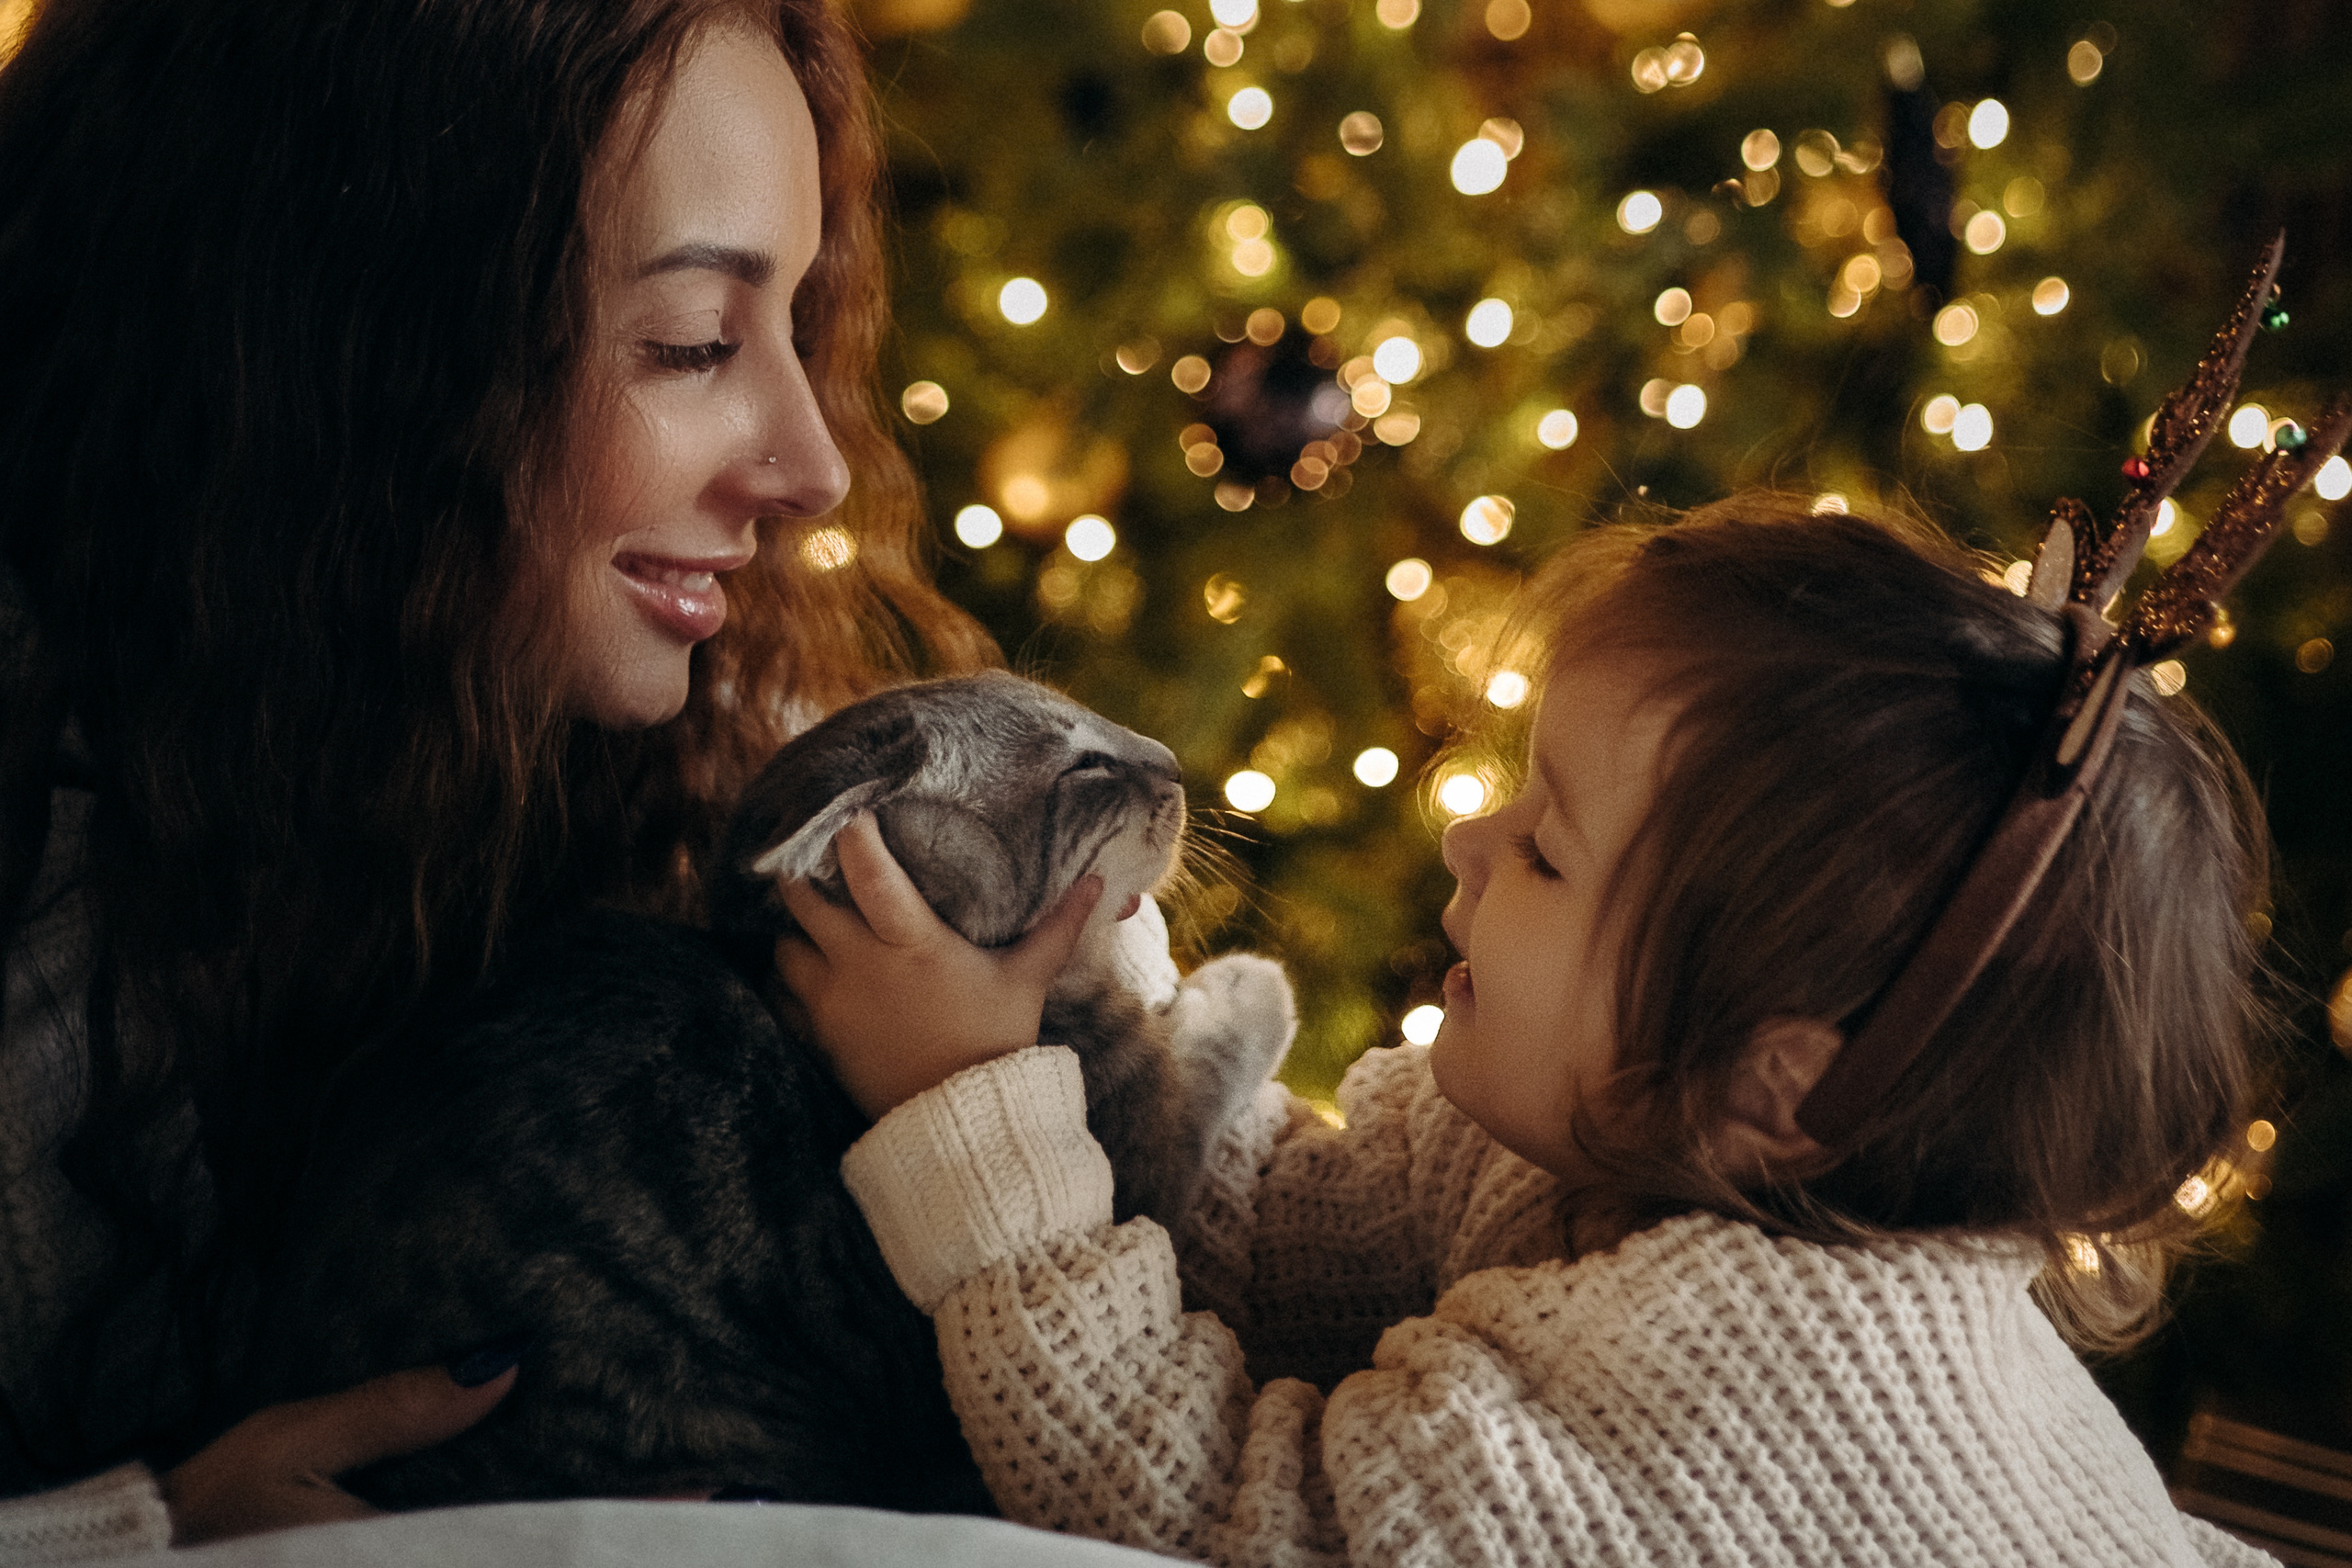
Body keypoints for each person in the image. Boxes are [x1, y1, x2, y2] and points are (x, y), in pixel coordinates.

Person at [0, 0, 1119, 1556]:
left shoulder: (699, 716)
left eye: (800, 319)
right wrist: (132, 1533)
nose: (811, 466)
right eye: (690, 344)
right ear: (348, 350)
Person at [796, 497, 2285, 1566]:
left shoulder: (1707, 1412)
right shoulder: (1628, 1139)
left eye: (1550, 852)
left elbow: (1199, 1505)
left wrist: (977, 1115)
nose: (1469, 841)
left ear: (1772, 1081)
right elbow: (1299, 1235)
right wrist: (1094, 956)